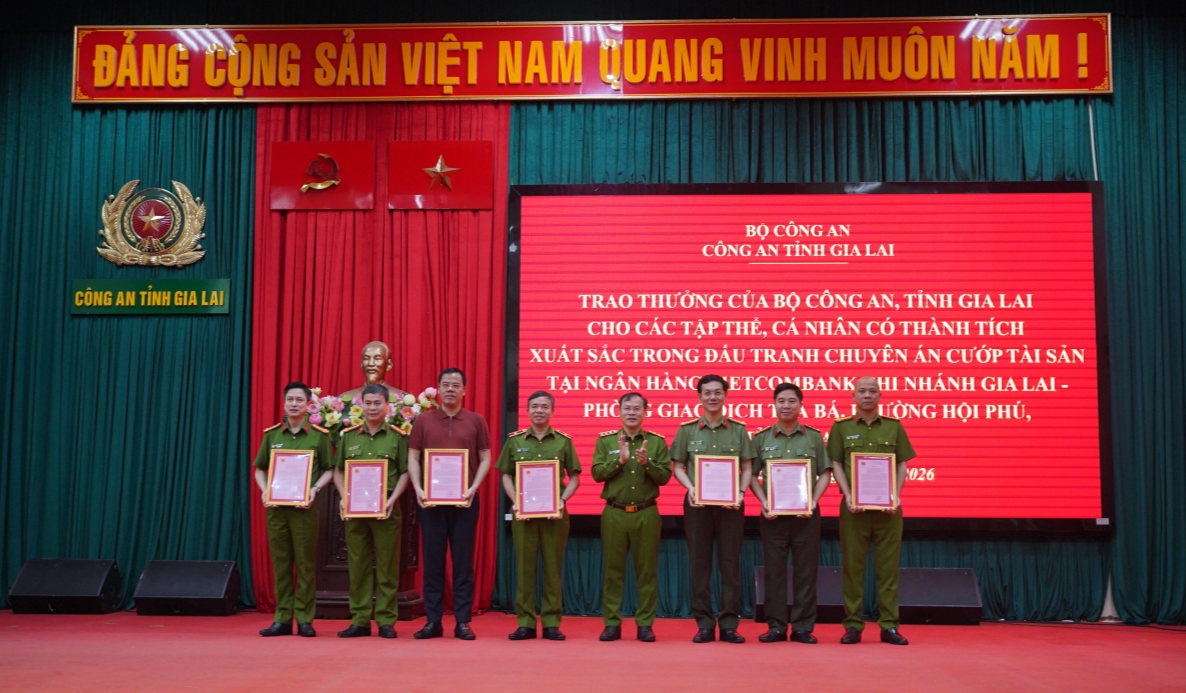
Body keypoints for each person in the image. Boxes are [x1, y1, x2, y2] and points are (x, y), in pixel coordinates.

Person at [827, 376, 915, 646]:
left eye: (872, 391)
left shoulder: (893, 426)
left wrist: (894, 495)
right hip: (854, 511)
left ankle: (889, 626)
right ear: (853, 396)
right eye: (862, 391)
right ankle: (853, 625)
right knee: (853, 570)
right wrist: (848, 494)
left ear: (880, 396)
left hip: (888, 512)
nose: (867, 395)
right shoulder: (841, 427)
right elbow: (836, 463)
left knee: (888, 571)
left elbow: (902, 464)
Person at [406, 368, 491, 640]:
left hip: (465, 502)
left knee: (463, 562)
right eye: (446, 384)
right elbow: (413, 457)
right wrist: (418, 489)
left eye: (456, 385)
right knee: (433, 562)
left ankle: (463, 622)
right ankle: (433, 621)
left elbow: (486, 458)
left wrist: (473, 488)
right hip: (430, 503)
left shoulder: (476, 420)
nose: (451, 389)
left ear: (464, 390)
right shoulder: (423, 420)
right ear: (438, 390)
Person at [670, 374, 754, 644]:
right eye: (707, 393)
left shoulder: (738, 430)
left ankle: (729, 625)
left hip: (731, 506)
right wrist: (691, 488)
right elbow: (677, 467)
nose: (712, 397)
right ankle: (704, 624)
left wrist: (740, 492)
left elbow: (747, 467)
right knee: (700, 565)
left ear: (726, 396)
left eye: (718, 392)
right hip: (698, 506)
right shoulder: (687, 430)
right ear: (699, 397)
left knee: (730, 566)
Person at [748, 383, 831, 644]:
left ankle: (803, 627)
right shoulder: (761, 438)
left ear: (800, 405)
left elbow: (825, 473)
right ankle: (776, 626)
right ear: (774, 404)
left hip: (806, 516)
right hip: (773, 516)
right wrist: (763, 501)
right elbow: (750, 474)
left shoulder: (814, 437)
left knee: (806, 571)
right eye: (781, 401)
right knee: (774, 572)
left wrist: (813, 501)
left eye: (792, 401)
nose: (786, 405)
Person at [496, 390, 581, 641]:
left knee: (553, 571)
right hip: (524, 517)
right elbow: (506, 475)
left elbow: (574, 477)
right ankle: (526, 623)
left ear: (552, 411)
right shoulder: (515, 441)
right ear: (527, 410)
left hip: (555, 517)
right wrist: (516, 502)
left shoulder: (563, 441)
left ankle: (552, 623)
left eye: (544, 406)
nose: (539, 410)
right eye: (534, 406)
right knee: (525, 570)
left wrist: (562, 501)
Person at [253, 381, 334, 638]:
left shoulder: (319, 436)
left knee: (305, 565)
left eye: (299, 400)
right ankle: (282, 619)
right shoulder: (272, 435)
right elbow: (259, 469)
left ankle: (305, 619)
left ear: (309, 404)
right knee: (281, 564)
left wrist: (315, 489)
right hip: (277, 509)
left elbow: (330, 470)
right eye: (290, 399)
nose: (294, 404)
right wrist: (265, 490)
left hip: (304, 510)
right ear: (284, 403)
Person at [592, 392, 672, 642]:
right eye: (627, 408)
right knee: (612, 571)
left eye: (637, 408)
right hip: (614, 513)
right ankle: (612, 624)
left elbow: (665, 477)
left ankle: (645, 624)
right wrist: (620, 461)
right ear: (619, 411)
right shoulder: (606, 441)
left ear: (645, 412)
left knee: (646, 572)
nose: (632, 413)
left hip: (646, 512)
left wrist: (647, 464)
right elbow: (596, 474)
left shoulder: (656, 442)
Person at [332, 384, 409, 639]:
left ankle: (386, 620)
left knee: (387, 567)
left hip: (386, 510)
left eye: (378, 403)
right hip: (355, 511)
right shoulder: (349, 436)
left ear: (387, 406)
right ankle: (360, 619)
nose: (372, 408)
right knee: (358, 567)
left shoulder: (397, 437)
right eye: (368, 403)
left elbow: (406, 472)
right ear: (361, 405)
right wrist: (344, 497)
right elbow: (338, 471)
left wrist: (393, 499)